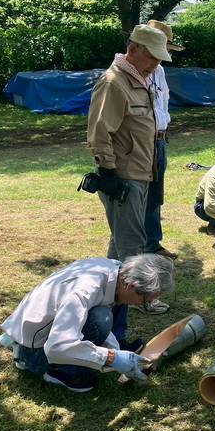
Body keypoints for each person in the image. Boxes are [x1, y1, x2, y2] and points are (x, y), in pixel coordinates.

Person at [86, 24, 171, 350]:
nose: (157, 64)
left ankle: (101, 314)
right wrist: (109, 173)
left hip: (140, 175)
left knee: (118, 250)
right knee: (132, 251)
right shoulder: (114, 82)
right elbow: (99, 133)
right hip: (123, 179)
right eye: (153, 57)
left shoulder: (139, 80)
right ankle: (119, 333)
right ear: (134, 49)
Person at [0, 254, 175, 393]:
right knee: (102, 318)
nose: (143, 305)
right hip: (35, 350)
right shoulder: (84, 290)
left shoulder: (114, 271)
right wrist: (111, 358)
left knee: (103, 315)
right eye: (146, 301)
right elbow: (57, 347)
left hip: (34, 331)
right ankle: (60, 371)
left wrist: (116, 351)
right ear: (131, 286)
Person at [140, 19, 184, 314]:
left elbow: (163, 103)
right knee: (138, 197)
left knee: (156, 195)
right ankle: (139, 251)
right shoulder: (134, 71)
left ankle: (153, 243)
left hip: (159, 139)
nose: (163, 54)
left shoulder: (160, 71)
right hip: (142, 142)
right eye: (162, 47)